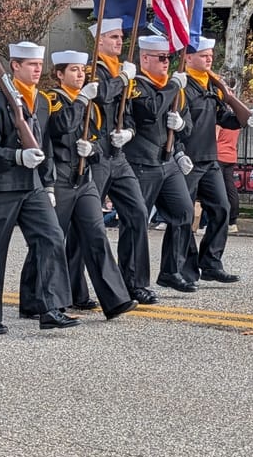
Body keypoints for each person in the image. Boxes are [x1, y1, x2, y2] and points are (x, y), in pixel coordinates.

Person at [20, 50, 136, 321]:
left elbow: (100, 140)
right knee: (51, 240)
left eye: (82, 70)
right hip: (59, 177)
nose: (80, 74)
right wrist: (82, 99)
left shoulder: (91, 104)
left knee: (96, 235)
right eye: (73, 70)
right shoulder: (52, 99)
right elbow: (61, 127)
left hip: (84, 179)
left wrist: (92, 148)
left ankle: (115, 298)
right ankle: (33, 299)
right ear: (59, 74)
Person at [0, 41, 75, 334]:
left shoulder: (41, 101)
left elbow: (47, 144)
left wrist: (49, 183)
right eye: (31, 65)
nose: (38, 69)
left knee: (52, 238)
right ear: (15, 66)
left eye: (39, 65)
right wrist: (18, 155)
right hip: (2, 187)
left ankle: (51, 308)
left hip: (34, 186)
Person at [79, 18, 154, 305]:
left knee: (137, 212)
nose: (119, 42)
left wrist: (129, 131)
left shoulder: (122, 71)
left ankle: (134, 282)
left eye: (120, 37)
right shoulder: (90, 70)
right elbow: (101, 96)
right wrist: (122, 79)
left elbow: (130, 111)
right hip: (96, 154)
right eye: (112, 37)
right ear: (99, 41)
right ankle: (76, 289)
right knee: (86, 222)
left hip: (118, 155)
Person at [179, 36, 253, 281]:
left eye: (211, 54)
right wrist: (179, 152)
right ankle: (186, 269)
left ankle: (211, 262)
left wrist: (243, 116)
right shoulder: (181, 85)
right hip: (187, 160)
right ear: (188, 57)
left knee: (222, 209)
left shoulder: (212, 86)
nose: (209, 58)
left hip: (210, 159)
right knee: (184, 216)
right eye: (203, 55)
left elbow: (225, 117)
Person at [124, 35, 197, 293]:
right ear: (145, 58)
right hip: (141, 163)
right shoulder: (136, 85)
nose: (167, 63)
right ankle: (132, 282)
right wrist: (172, 88)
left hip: (167, 164)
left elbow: (188, 126)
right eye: (162, 58)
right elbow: (150, 110)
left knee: (183, 212)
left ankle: (170, 270)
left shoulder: (172, 86)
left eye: (169, 58)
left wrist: (180, 126)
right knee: (136, 222)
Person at [216, 122, 241, 234]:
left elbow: (214, 138)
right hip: (231, 156)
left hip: (218, 155)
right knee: (231, 189)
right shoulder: (236, 121)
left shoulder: (220, 121)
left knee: (217, 188)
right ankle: (232, 221)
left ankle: (215, 220)